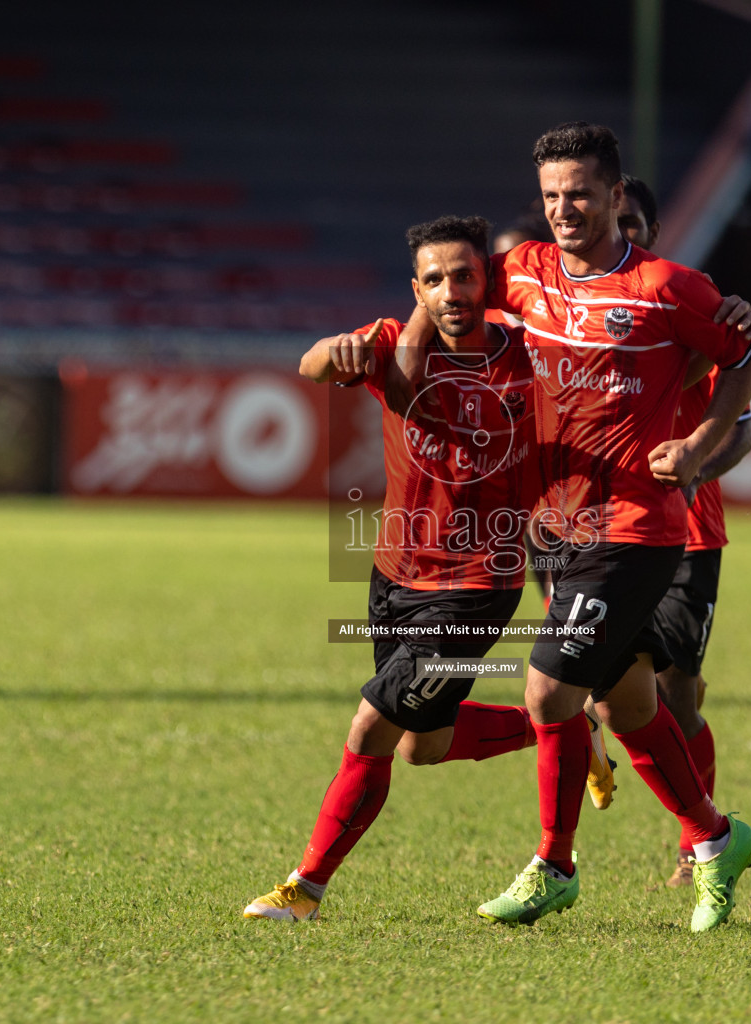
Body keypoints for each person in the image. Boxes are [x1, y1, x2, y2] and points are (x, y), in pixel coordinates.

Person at [445, 122, 751, 932]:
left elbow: (747, 356)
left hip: (638, 528)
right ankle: (712, 837)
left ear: (617, 196)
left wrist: (696, 445)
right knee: (626, 704)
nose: (565, 209)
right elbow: (443, 299)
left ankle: (554, 864)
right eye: (552, 196)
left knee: (552, 689)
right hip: (556, 528)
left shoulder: (668, 286)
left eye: (580, 193)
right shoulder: (521, 273)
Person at [243, 215, 542, 922]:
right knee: (421, 746)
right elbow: (310, 366)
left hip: (475, 589)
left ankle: (304, 889)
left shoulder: (531, 359)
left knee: (370, 727)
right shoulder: (392, 346)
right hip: (394, 577)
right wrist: (337, 349)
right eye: (433, 279)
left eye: (464, 275)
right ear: (417, 289)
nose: (450, 291)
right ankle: (560, 725)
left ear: (487, 280)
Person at [613, 173, 751, 888]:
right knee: (603, 686)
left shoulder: (686, 306)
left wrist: (697, 464)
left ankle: (696, 840)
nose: (623, 232)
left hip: (688, 535)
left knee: (674, 693)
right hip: (599, 529)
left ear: (653, 230)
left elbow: (746, 428)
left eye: (633, 222)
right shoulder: (577, 311)